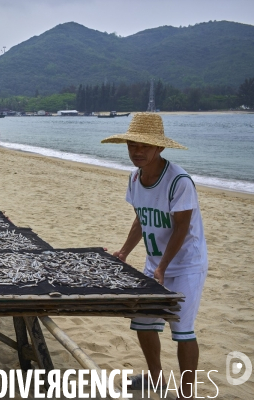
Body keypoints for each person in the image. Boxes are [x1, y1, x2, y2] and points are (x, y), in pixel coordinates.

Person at [102, 113, 207, 399]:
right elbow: (141, 220)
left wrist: (163, 267)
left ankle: (187, 393)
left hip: (186, 264)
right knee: (144, 322)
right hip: (155, 263)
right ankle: (156, 377)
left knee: (182, 329)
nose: (137, 151)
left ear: (159, 148)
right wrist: (124, 252)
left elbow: (182, 228)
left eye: (145, 146)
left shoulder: (179, 181)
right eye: (132, 145)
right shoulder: (135, 179)